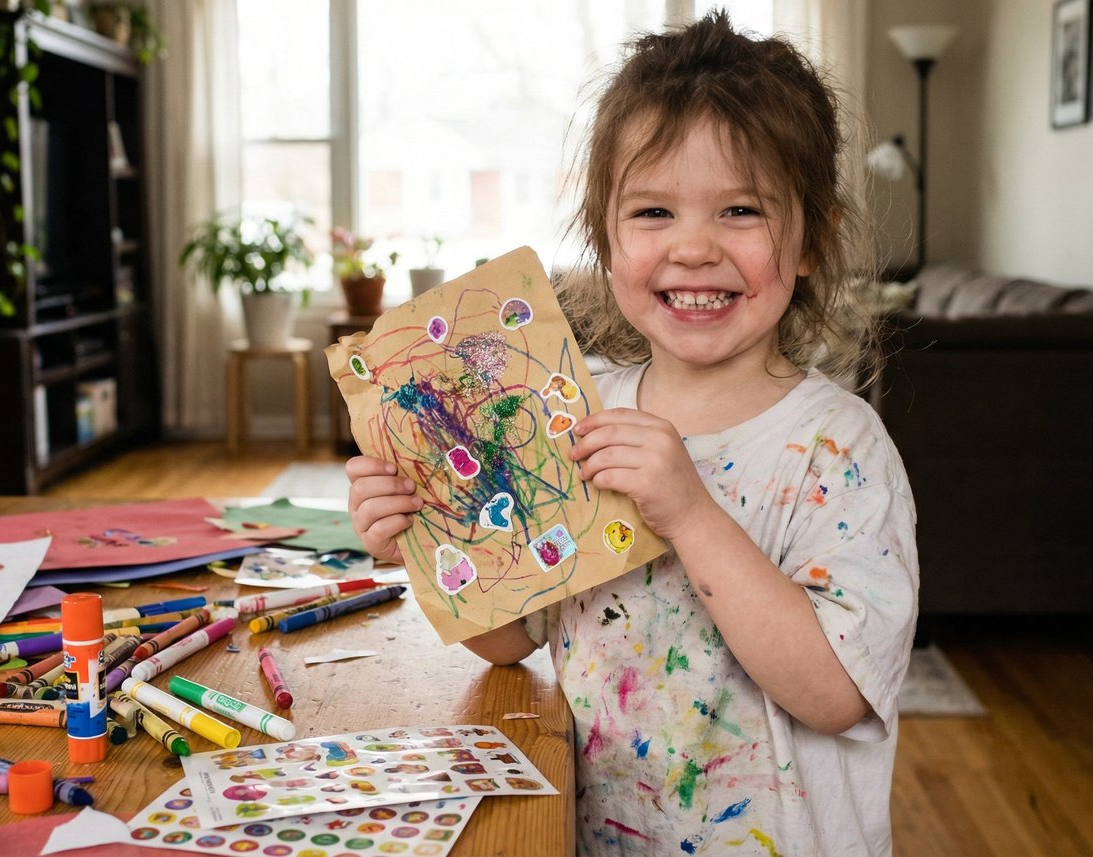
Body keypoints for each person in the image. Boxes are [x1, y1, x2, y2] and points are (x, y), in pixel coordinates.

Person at [347, 10, 918, 855]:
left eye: (741, 210)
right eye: (653, 211)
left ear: (811, 239)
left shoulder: (841, 449)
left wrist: (690, 513)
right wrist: (425, 539)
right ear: (606, 240)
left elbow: (837, 693)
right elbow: (511, 638)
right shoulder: (578, 413)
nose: (693, 247)